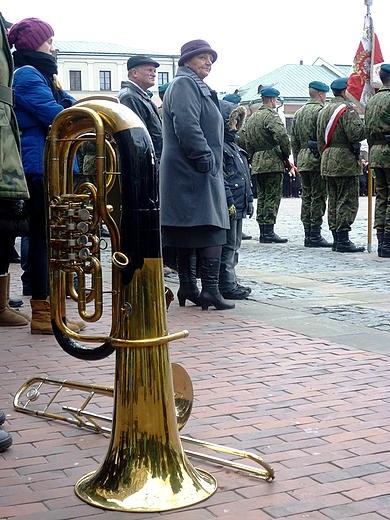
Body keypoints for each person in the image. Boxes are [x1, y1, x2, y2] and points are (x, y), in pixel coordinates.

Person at [8, 17, 86, 333]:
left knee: (49, 239)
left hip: (51, 164)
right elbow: (60, 115)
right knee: (43, 239)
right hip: (40, 165)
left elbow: (67, 105)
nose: (53, 47)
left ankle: (50, 309)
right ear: (34, 43)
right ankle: (43, 313)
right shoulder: (27, 74)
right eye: (49, 41)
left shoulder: (42, 74)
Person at [160, 39, 234, 311]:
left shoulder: (191, 84)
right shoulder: (184, 84)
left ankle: (189, 287)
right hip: (192, 168)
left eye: (211, 59)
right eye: (203, 57)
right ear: (187, 60)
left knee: (192, 229)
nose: (208, 62)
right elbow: (188, 125)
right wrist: (204, 158)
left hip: (193, 169)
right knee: (212, 228)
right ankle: (210, 291)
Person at [0, 12, 30, 328]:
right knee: (10, 227)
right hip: (17, 155)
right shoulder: (30, 73)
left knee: (8, 229)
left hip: (12, 150)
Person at [317, 77, 365, 253]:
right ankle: (343, 239)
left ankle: (337, 238)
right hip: (344, 160)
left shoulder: (323, 110)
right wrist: (366, 124)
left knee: (333, 199)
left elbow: (318, 137)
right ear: (345, 91)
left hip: (328, 158)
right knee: (346, 199)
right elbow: (355, 134)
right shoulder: (347, 110)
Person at [245, 87, 291, 243]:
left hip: (258, 161)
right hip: (272, 160)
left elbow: (247, 142)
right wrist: (286, 152)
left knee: (263, 197)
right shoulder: (272, 116)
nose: (276, 102)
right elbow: (282, 136)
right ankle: (269, 231)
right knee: (272, 196)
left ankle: (263, 230)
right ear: (272, 100)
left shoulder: (252, 118)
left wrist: (252, 157)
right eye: (276, 99)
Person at [219, 100, 253, 300]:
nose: (234, 127)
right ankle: (227, 283)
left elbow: (243, 178)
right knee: (229, 245)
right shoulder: (222, 147)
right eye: (231, 122)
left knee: (235, 244)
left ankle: (231, 279)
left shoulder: (234, 146)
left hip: (239, 202)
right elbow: (223, 177)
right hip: (231, 203)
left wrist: (248, 200)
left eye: (237, 123)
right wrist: (230, 201)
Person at [291, 81, 332, 247]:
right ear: (321, 94)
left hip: (302, 157)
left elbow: (293, 140)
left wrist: (297, 158)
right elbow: (324, 137)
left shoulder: (299, 113)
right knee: (318, 196)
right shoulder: (321, 111)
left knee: (306, 196)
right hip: (317, 159)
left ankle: (308, 232)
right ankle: (315, 234)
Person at [365, 63, 390, 257]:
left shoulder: (372, 101)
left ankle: (381, 239)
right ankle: (388, 242)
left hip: (376, 152)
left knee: (382, 196)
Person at [117, 56, 162, 165]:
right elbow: (138, 139)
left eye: (155, 71)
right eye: (149, 70)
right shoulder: (129, 97)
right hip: (146, 165)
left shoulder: (139, 96)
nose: (154, 74)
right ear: (134, 73)